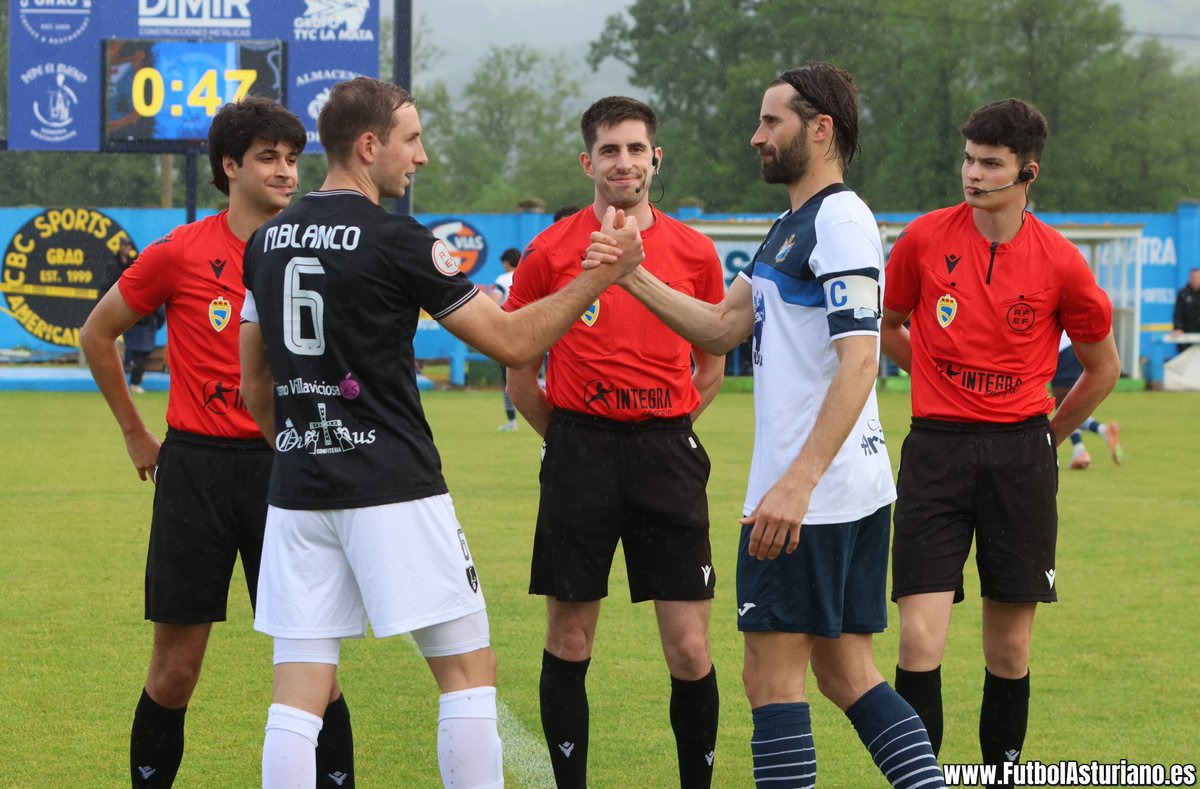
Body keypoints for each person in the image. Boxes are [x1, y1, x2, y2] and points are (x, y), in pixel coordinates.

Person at [238, 76, 644, 788]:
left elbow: (256, 387)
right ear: (370, 146)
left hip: (298, 488)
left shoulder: (266, 239)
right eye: (411, 139)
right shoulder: (399, 239)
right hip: (393, 484)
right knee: (466, 671)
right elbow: (514, 343)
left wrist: (309, 447)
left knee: (297, 693)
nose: (419, 157)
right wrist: (601, 274)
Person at [583, 71, 943, 789]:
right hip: (838, 486)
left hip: (814, 491)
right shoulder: (791, 226)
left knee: (769, 679)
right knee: (847, 672)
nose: (756, 136)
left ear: (821, 130)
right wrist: (631, 273)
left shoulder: (839, 220)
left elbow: (862, 359)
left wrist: (797, 483)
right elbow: (722, 324)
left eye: (771, 121)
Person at [80, 97, 356, 788]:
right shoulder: (181, 251)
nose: (286, 172)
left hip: (287, 469)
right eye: (269, 158)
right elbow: (97, 332)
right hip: (195, 471)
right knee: (175, 669)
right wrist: (135, 431)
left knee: (313, 672)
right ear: (230, 166)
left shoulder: (315, 250)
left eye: (294, 159)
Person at [880, 98, 1119, 785]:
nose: (973, 175)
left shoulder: (1063, 264)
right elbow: (891, 322)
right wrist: (931, 369)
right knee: (919, 637)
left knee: (1009, 649)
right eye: (968, 159)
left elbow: (1103, 370)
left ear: (1027, 172)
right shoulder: (925, 240)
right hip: (935, 451)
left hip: (1020, 456)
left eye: (990, 164)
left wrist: (1049, 434)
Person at [503, 95, 725, 789]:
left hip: (667, 453)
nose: (623, 161)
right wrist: (573, 438)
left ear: (655, 157)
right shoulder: (550, 251)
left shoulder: (693, 251)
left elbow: (712, 362)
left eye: (636, 148)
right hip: (580, 453)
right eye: (609, 150)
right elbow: (520, 376)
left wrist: (668, 430)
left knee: (689, 648)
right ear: (587, 161)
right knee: (570, 638)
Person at [1051, 331, 1121, 469]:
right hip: (1071, 347)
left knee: (1065, 407)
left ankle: (1087, 444)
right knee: (1066, 406)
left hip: (1062, 349)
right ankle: (1082, 448)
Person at [102, 238, 163, 394]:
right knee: (133, 351)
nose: (126, 249)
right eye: (124, 246)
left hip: (141, 317)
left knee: (139, 351)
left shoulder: (134, 265)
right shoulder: (113, 265)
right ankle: (131, 380)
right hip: (129, 313)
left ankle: (133, 377)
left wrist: (158, 319)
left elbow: (152, 295)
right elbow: (110, 287)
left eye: (128, 246)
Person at [490, 246, 522, 431]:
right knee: (543, 378)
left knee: (508, 380)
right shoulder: (528, 274)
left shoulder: (503, 279)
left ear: (507, 262)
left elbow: (493, 302)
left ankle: (512, 421)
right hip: (537, 331)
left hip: (511, 334)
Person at [1172, 267, 1200, 353]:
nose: (1195, 280)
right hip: (1186, 333)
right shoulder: (1183, 293)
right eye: (1193, 277)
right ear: (1189, 278)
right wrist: (1178, 328)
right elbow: (1178, 312)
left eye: (1197, 277)